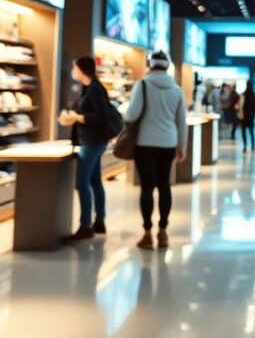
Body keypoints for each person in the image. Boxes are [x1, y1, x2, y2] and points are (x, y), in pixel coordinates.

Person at [124, 51, 187, 250]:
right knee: (164, 185)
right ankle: (163, 231)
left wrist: (126, 114)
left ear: (150, 65)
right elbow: (181, 122)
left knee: (147, 187)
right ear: (167, 66)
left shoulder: (142, 85)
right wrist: (182, 146)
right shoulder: (177, 90)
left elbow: (132, 114)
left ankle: (147, 232)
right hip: (168, 143)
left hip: (145, 143)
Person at [59, 56, 114, 241]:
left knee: (82, 183)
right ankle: (99, 220)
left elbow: (100, 116)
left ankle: (85, 226)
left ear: (82, 70)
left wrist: (76, 118)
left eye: (75, 68)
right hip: (93, 141)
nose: (73, 71)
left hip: (92, 142)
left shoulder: (95, 90)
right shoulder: (90, 89)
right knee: (94, 181)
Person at [239, 84, 255, 154]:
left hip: (244, 117)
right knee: (252, 132)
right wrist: (254, 113)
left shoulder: (243, 94)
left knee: (244, 132)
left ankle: (245, 146)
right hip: (251, 116)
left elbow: (240, 106)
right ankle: (253, 146)